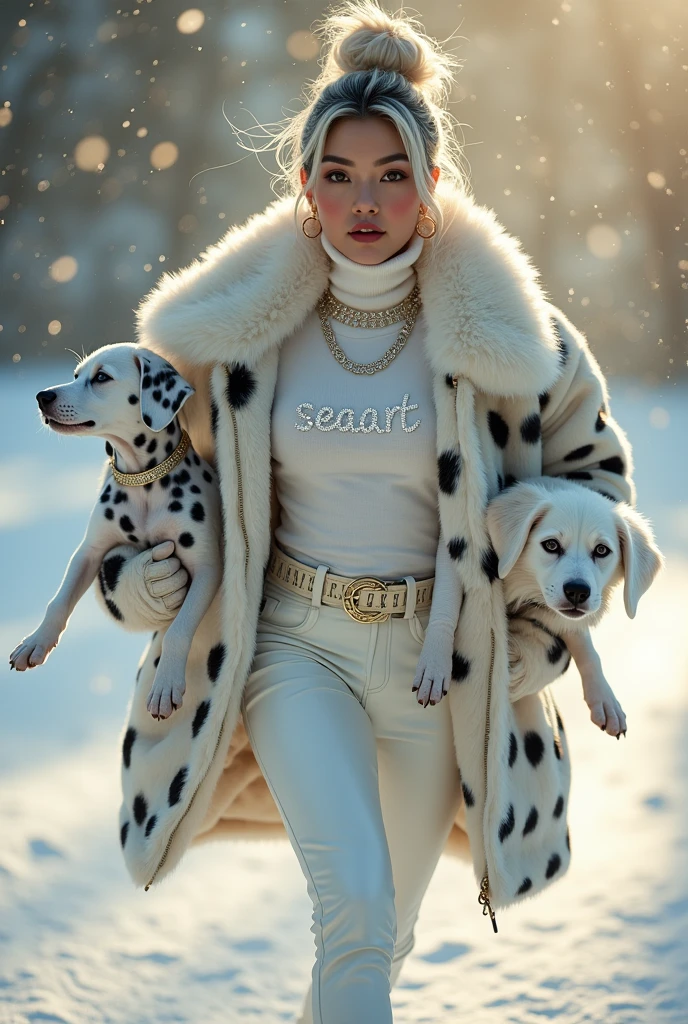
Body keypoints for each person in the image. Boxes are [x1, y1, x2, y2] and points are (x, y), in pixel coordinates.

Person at [94, 3, 636, 1021]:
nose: (365, 199)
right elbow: (139, 493)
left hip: (444, 663)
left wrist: (540, 637)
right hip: (294, 648)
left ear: (432, 185)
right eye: (337, 175)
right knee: (352, 906)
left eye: (392, 174)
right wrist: (141, 582)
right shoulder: (236, 337)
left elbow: (594, 486)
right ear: (303, 186)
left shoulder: (522, 341)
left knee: (385, 932)